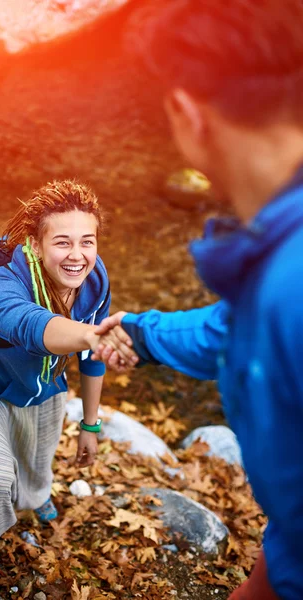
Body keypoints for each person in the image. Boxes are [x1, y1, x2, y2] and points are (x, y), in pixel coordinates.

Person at [93, 1, 303, 598]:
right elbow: (232, 328)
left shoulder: (291, 288)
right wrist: (141, 332)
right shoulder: (278, 262)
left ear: (187, 114)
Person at [0, 180, 137, 600]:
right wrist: (93, 335)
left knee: (37, 463)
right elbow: (33, 327)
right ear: (35, 243)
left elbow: (90, 357)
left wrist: (91, 424)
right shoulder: (4, 285)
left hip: (41, 387)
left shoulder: (95, 281)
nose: (78, 255)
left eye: (88, 241)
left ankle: (35, 496)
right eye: (63, 242)